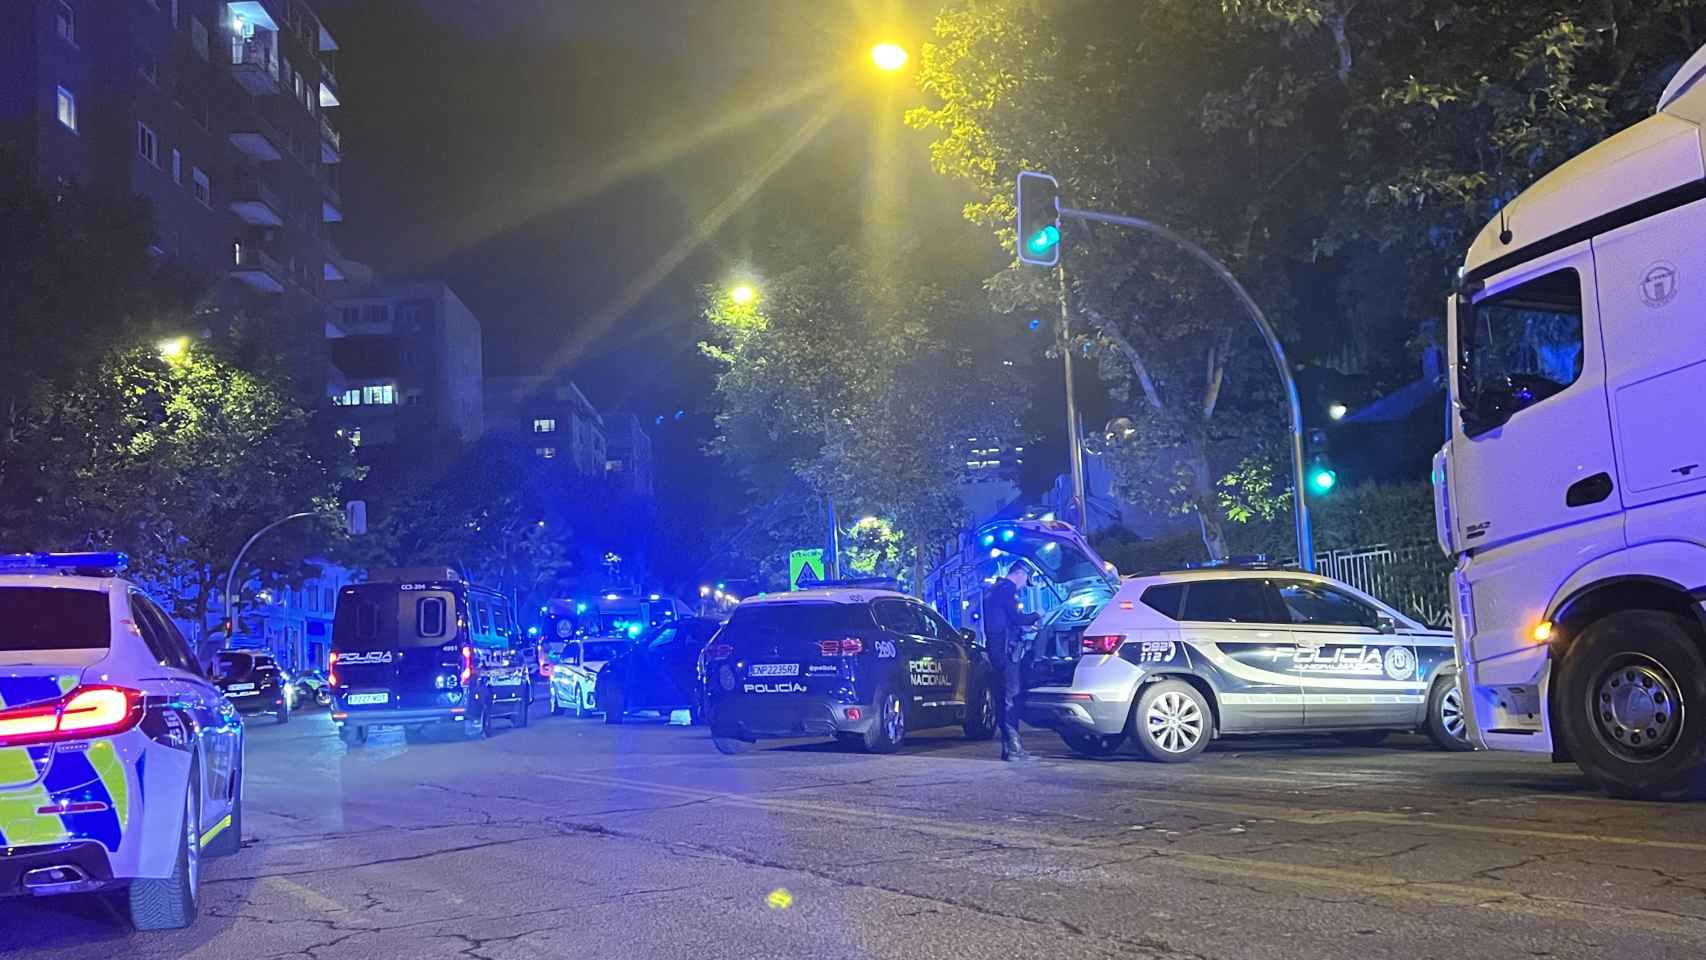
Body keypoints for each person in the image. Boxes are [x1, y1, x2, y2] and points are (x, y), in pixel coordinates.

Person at [983, 559, 1041, 762]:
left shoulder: (992, 591)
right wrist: (1037, 616)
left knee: (1002, 697)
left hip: (996, 652)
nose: (1025, 585)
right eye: (1026, 580)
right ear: (1021, 574)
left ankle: (1008, 748)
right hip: (1008, 653)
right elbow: (1017, 618)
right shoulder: (1007, 590)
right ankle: (1015, 749)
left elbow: (1002, 622)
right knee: (1012, 698)